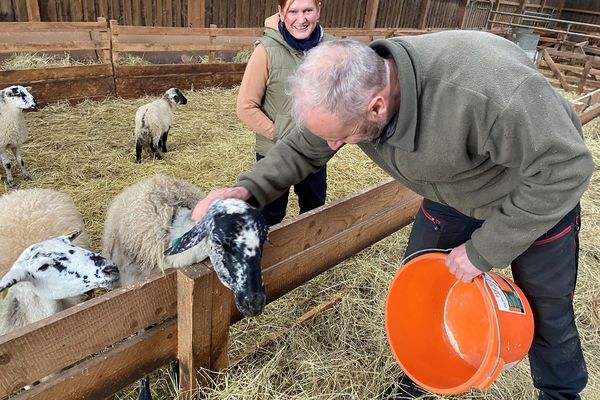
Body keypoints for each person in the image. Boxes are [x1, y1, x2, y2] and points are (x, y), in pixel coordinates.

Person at [193, 31, 594, 400]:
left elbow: (566, 168)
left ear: (377, 106)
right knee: (422, 290)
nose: (332, 145)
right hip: (449, 191)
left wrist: (483, 251)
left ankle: (559, 392)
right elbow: (304, 147)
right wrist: (247, 190)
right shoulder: (354, 90)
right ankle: (423, 374)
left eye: (341, 137)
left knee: (546, 308)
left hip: (532, 196)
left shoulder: (486, 91)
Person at [235, 0, 331, 226]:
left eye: (308, 10)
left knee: (314, 208)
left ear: (318, 9)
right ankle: (270, 260)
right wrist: (281, 134)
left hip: (315, 152)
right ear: (281, 13)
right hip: (274, 152)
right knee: (271, 215)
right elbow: (245, 107)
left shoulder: (331, 49)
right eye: (293, 11)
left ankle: (310, 259)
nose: (301, 19)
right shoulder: (266, 51)